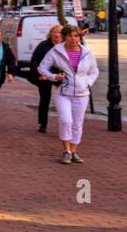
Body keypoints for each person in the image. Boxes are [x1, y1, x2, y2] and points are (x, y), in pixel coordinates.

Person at [38, 25, 99, 164]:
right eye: (70, 36)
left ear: (80, 37)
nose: (73, 39)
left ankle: (74, 151)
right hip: (63, 92)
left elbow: (94, 71)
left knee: (77, 124)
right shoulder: (56, 51)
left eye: (76, 36)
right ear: (65, 36)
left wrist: (87, 83)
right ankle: (66, 151)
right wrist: (54, 77)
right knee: (66, 121)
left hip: (82, 93)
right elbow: (42, 68)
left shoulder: (87, 52)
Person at [28, 25, 64, 133]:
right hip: (45, 76)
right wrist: (40, 74)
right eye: (54, 32)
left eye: (59, 33)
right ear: (51, 34)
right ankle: (43, 123)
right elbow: (34, 61)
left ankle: (65, 123)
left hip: (61, 76)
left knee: (63, 100)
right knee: (44, 99)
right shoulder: (43, 45)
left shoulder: (66, 46)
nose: (57, 35)